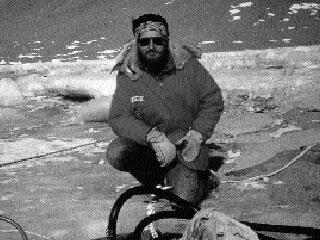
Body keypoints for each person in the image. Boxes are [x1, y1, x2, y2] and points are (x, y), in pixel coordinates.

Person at [106, 13, 224, 205]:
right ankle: (158, 182)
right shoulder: (128, 74)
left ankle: (205, 179)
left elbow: (213, 99)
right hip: (151, 148)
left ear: (166, 40)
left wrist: (197, 134)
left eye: (157, 41)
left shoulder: (187, 65)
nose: (151, 47)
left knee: (184, 201)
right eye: (145, 42)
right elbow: (119, 117)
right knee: (117, 152)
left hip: (185, 148)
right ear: (137, 43)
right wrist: (152, 137)